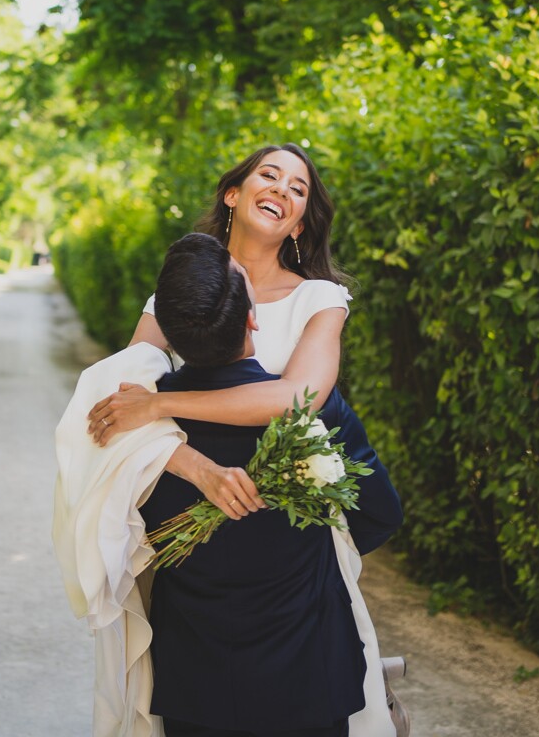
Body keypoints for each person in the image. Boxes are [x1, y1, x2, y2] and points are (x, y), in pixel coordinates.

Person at [85, 144, 401, 734]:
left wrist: (161, 402)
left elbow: (296, 398)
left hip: (292, 540)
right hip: (193, 537)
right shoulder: (172, 298)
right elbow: (120, 420)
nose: (283, 188)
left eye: (298, 188)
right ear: (234, 193)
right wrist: (194, 467)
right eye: (269, 175)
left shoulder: (319, 299)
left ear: (301, 222)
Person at [141, 233, 398, 737]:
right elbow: (381, 512)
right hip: (308, 670)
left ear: (167, 333)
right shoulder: (313, 411)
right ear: (252, 317)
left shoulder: (140, 425)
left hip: (195, 676)